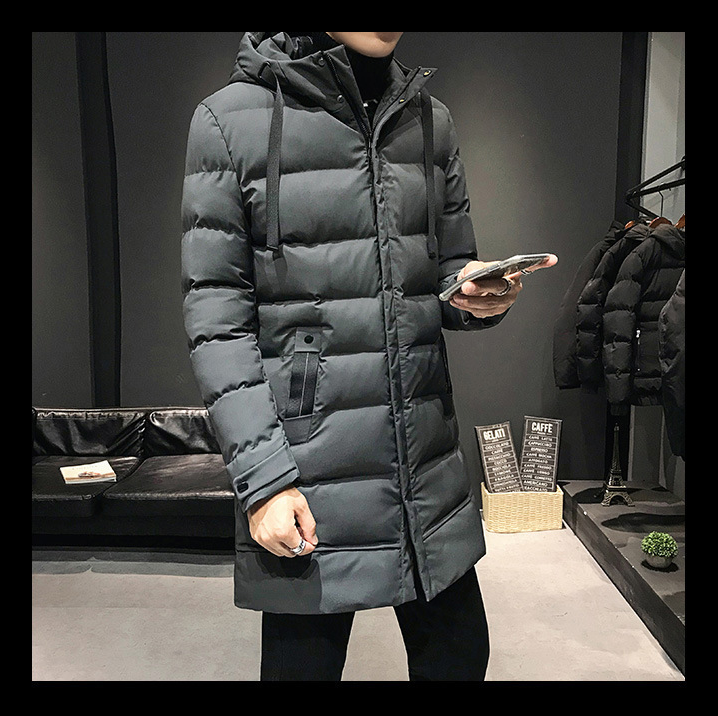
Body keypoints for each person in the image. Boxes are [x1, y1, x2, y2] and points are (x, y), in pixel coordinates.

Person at [181, 32, 556, 681]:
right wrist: (263, 478)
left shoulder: (429, 120)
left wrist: (473, 293)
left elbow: (444, 272)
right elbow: (218, 323)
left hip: (425, 466)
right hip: (308, 469)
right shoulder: (228, 121)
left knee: (461, 657)